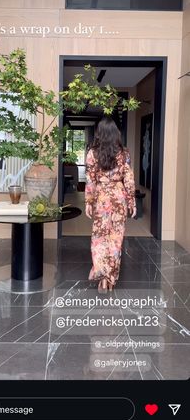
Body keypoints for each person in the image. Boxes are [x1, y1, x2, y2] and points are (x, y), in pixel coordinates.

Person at [85, 116, 136, 293]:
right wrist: (132, 201)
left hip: (101, 198)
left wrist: (89, 202)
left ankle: (102, 276)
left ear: (99, 133)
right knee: (115, 239)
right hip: (119, 197)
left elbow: (90, 180)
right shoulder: (124, 153)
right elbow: (128, 179)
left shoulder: (92, 153)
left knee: (99, 237)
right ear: (116, 133)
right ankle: (110, 278)